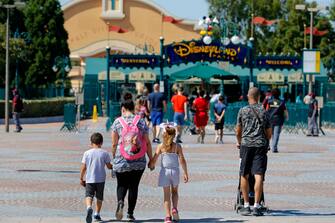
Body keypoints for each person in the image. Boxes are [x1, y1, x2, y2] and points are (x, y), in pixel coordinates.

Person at [111, 99, 153, 222]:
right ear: (133, 107)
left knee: (121, 184)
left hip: (121, 158)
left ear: (123, 108)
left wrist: (114, 158)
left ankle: (120, 202)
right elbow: (147, 142)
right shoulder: (140, 121)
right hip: (139, 159)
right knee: (134, 186)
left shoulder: (117, 122)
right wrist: (151, 159)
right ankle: (130, 214)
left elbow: (114, 144)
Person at [236, 87, 272, 216]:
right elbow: (269, 132)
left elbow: (238, 130)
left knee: (244, 173)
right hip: (260, 146)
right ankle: (256, 205)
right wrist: (264, 140)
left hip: (246, 145)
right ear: (259, 97)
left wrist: (239, 141)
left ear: (248, 96)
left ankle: (246, 205)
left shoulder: (242, 110)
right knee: (258, 175)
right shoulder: (264, 111)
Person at [149, 126, 188, 223]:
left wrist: (151, 165)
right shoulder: (177, 146)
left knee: (166, 195)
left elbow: (155, 158)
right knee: (175, 192)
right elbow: (182, 160)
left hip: (164, 172)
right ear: (174, 135)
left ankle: (167, 217)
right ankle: (174, 208)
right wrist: (185, 173)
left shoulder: (161, 146)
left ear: (164, 135)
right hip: (175, 171)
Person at [80, 133, 113, 223]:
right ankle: (97, 214)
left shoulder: (86, 153)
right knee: (99, 197)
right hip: (101, 179)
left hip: (89, 179)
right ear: (101, 142)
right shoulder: (105, 153)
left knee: (88, 195)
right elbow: (109, 166)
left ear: (91, 143)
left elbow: (83, 167)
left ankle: (89, 207)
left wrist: (81, 178)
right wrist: (112, 167)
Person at [266, 88, 289, 153]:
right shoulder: (282, 102)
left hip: (270, 119)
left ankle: (267, 146)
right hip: (279, 119)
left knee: (269, 134)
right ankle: (274, 147)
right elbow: (285, 111)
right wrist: (286, 117)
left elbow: (267, 110)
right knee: (276, 134)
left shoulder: (269, 101)